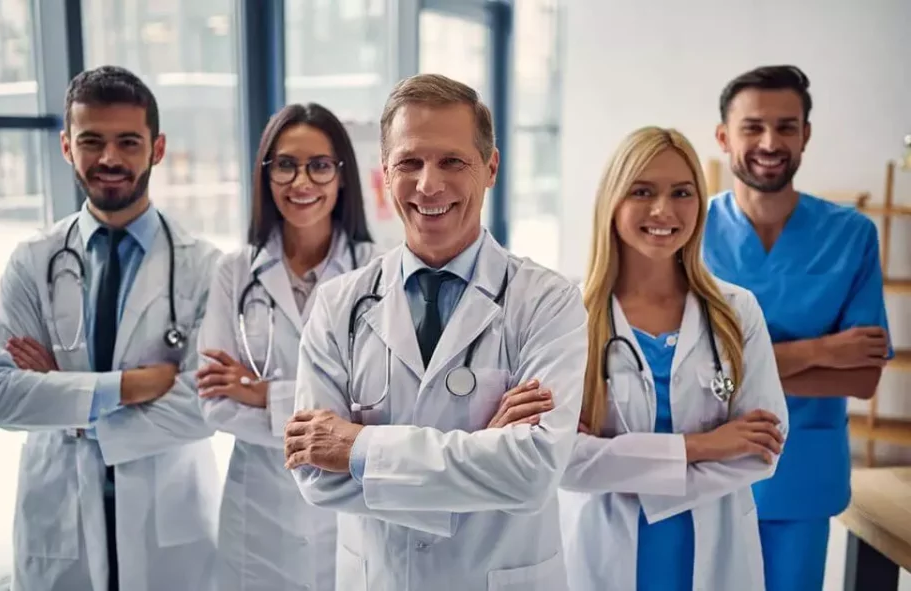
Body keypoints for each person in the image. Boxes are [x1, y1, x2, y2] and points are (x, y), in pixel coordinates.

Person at [281, 73, 588, 590]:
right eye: (409, 162)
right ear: (384, 172)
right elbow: (314, 474)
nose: (428, 184)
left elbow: (533, 472)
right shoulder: (339, 305)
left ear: (490, 168)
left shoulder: (548, 302)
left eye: (452, 161)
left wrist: (358, 448)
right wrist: (481, 455)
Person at [0, 66, 221, 591]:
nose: (109, 158)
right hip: (60, 522)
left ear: (156, 149)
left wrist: (69, 404)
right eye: (92, 141)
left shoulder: (204, 266)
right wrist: (129, 387)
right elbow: (0, 394)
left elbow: (206, 405)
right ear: (68, 147)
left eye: (127, 142)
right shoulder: (31, 261)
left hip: (170, 526)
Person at [557, 126, 789, 591]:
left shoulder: (735, 311)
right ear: (613, 202)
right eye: (642, 191)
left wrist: (619, 463)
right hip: (601, 551)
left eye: (681, 193)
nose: (663, 210)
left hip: (713, 550)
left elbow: (762, 449)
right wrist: (704, 446)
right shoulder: (568, 316)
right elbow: (561, 461)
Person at [703, 65, 893, 591]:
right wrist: (823, 349)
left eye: (787, 127)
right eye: (753, 127)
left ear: (806, 135)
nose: (770, 142)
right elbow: (682, 370)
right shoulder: (689, 232)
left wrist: (735, 373)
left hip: (801, 473)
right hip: (704, 470)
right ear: (723, 137)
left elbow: (862, 380)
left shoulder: (850, 235)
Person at [194, 102, 382, 591]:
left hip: (348, 505)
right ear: (265, 174)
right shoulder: (234, 272)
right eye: (285, 164)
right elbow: (215, 406)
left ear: (342, 176)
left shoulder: (378, 275)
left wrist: (264, 395)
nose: (302, 182)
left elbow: (378, 407)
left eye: (319, 165)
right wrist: (328, 423)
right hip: (258, 514)